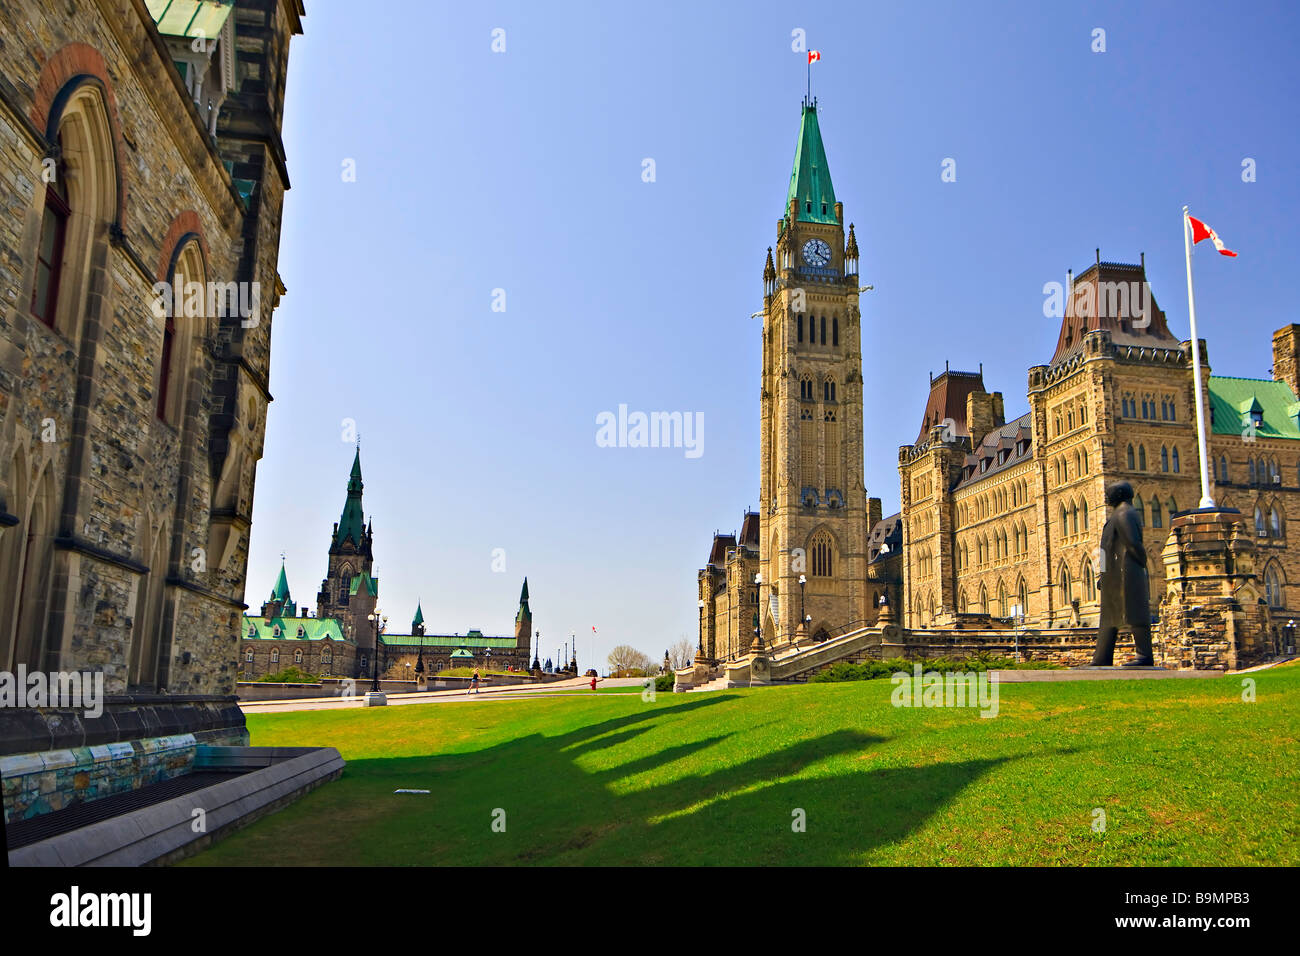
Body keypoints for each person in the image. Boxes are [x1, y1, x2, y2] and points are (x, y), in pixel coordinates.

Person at [1093, 480, 1155, 666]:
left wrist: (1141, 562)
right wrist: (1102, 574)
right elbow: (1104, 549)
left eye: (1109, 493)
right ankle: (1102, 658)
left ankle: (1144, 656)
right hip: (1113, 574)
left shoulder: (1125, 513)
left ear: (1119, 494)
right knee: (1109, 619)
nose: (1106, 497)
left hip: (1126, 572)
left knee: (1135, 613)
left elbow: (1133, 543)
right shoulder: (1118, 514)